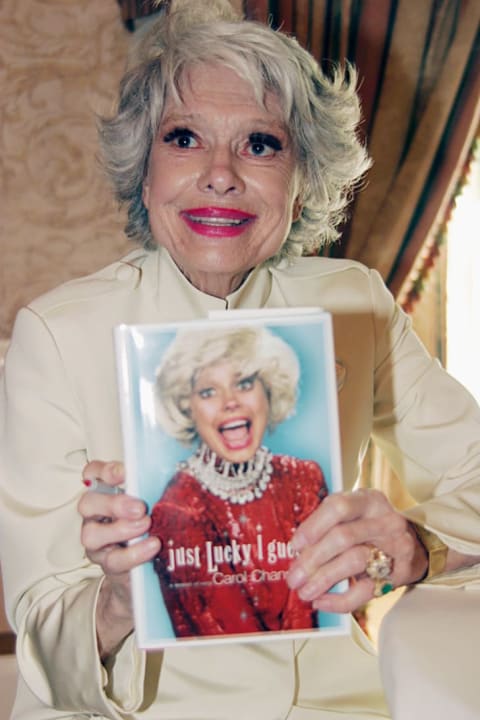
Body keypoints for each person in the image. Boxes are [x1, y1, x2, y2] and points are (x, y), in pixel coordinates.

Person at [0, 0, 479, 718]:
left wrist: (414, 548)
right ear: (147, 169)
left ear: (302, 177)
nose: (221, 174)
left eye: (261, 144)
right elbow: (40, 626)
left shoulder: (355, 304)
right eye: (185, 137)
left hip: (343, 702)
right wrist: (120, 598)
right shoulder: (57, 333)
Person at [149, 325, 328, 637]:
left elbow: (307, 610)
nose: (230, 402)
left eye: (244, 384)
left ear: (269, 392)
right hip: (222, 678)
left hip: (314, 668)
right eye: (208, 391)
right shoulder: (178, 510)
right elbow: (232, 633)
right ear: (187, 408)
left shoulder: (304, 479)